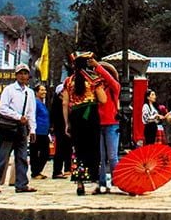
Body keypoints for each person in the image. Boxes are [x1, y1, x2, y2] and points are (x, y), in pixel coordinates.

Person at [0, 64, 37, 194]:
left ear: (28, 76)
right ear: (16, 75)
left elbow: (31, 112)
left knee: (22, 157)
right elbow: (2, 108)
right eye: (20, 73)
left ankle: (21, 184)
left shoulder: (29, 92)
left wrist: (32, 129)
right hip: (9, 126)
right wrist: (17, 116)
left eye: (25, 73)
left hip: (22, 127)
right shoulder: (9, 90)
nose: (23, 76)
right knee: (3, 156)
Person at [63, 53, 103, 196]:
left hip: (76, 117)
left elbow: (65, 103)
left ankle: (79, 182)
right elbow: (103, 99)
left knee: (77, 149)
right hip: (90, 115)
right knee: (93, 148)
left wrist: (67, 123)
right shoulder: (94, 79)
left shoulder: (69, 81)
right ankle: (95, 181)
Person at [95, 61, 121, 194]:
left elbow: (110, 80)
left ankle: (119, 181)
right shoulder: (97, 89)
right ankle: (102, 183)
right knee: (101, 157)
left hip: (112, 124)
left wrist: (98, 67)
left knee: (112, 156)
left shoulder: (114, 88)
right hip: (99, 124)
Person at [50, 81, 72, 179]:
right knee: (60, 150)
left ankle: (68, 168)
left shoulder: (68, 102)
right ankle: (57, 171)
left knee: (68, 149)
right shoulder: (57, 104)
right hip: (60, 129)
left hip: (67, 129)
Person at [29, 84, 51, 179]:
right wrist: (31, 129)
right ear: (36, 92)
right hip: (36, 131)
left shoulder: (43, 103)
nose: (44, 92)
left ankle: (37, 171)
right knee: (35, 152)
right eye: (41, 90)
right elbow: (32, 116)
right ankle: (35, 172)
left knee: (45, 152)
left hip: (44, 132)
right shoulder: (35, 103)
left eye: (45, 90)